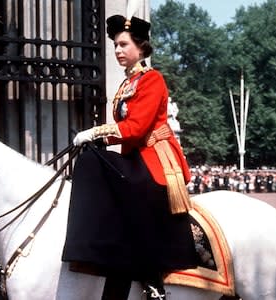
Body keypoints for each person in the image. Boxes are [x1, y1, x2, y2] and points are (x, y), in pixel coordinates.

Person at [62, 14, 198, 300]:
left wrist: (96, 132)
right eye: (115, 46)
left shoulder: (153, 80)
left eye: (123, 44)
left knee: (95, 162)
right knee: (91, 161)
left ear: (141, 46)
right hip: (135, 158)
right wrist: (98, 138)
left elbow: (136, 128)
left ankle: (153, 278)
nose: (117, 51)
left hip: (157, 161)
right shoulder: (127, 84)